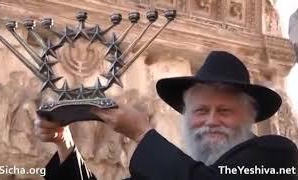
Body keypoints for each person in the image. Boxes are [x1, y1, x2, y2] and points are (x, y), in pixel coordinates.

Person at [35, 51, 298, 180]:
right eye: (201, 111)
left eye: (225, 110)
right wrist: (64, 143)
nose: (210, 120)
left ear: (249, 116)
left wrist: (140, 132)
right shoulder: (170, 171)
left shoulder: (277, 155)